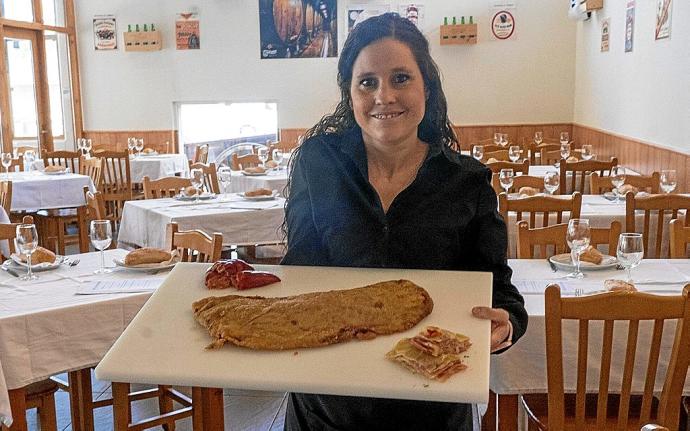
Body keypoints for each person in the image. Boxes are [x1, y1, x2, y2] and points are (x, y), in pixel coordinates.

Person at [281, 12, 527, 430]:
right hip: (329, 404)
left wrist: (506, 325)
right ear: (350, 92)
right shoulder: (319, 163)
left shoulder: (466, 181)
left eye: (400, 78)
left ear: (425, 87)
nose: (384, 96)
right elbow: (300, 271)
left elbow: (498, 290)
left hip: (432, 402)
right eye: (367, 82)